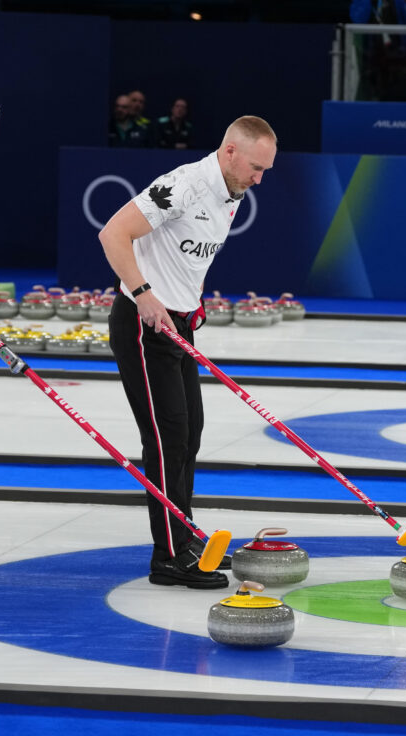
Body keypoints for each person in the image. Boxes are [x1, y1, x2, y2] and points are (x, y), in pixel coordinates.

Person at [98, 115, 277, 590]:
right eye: (255, 168)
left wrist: (189, 304)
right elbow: (113, 234)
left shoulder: (230, 195)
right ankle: (169, 557)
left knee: (190, 433)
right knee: (166, 439)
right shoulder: (183, 186)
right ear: (230, 152)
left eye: (265, 172)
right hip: (142, 323)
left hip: (177, 323)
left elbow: (187, 258)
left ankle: (184, 537)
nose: (259, 180)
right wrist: (143, 293)